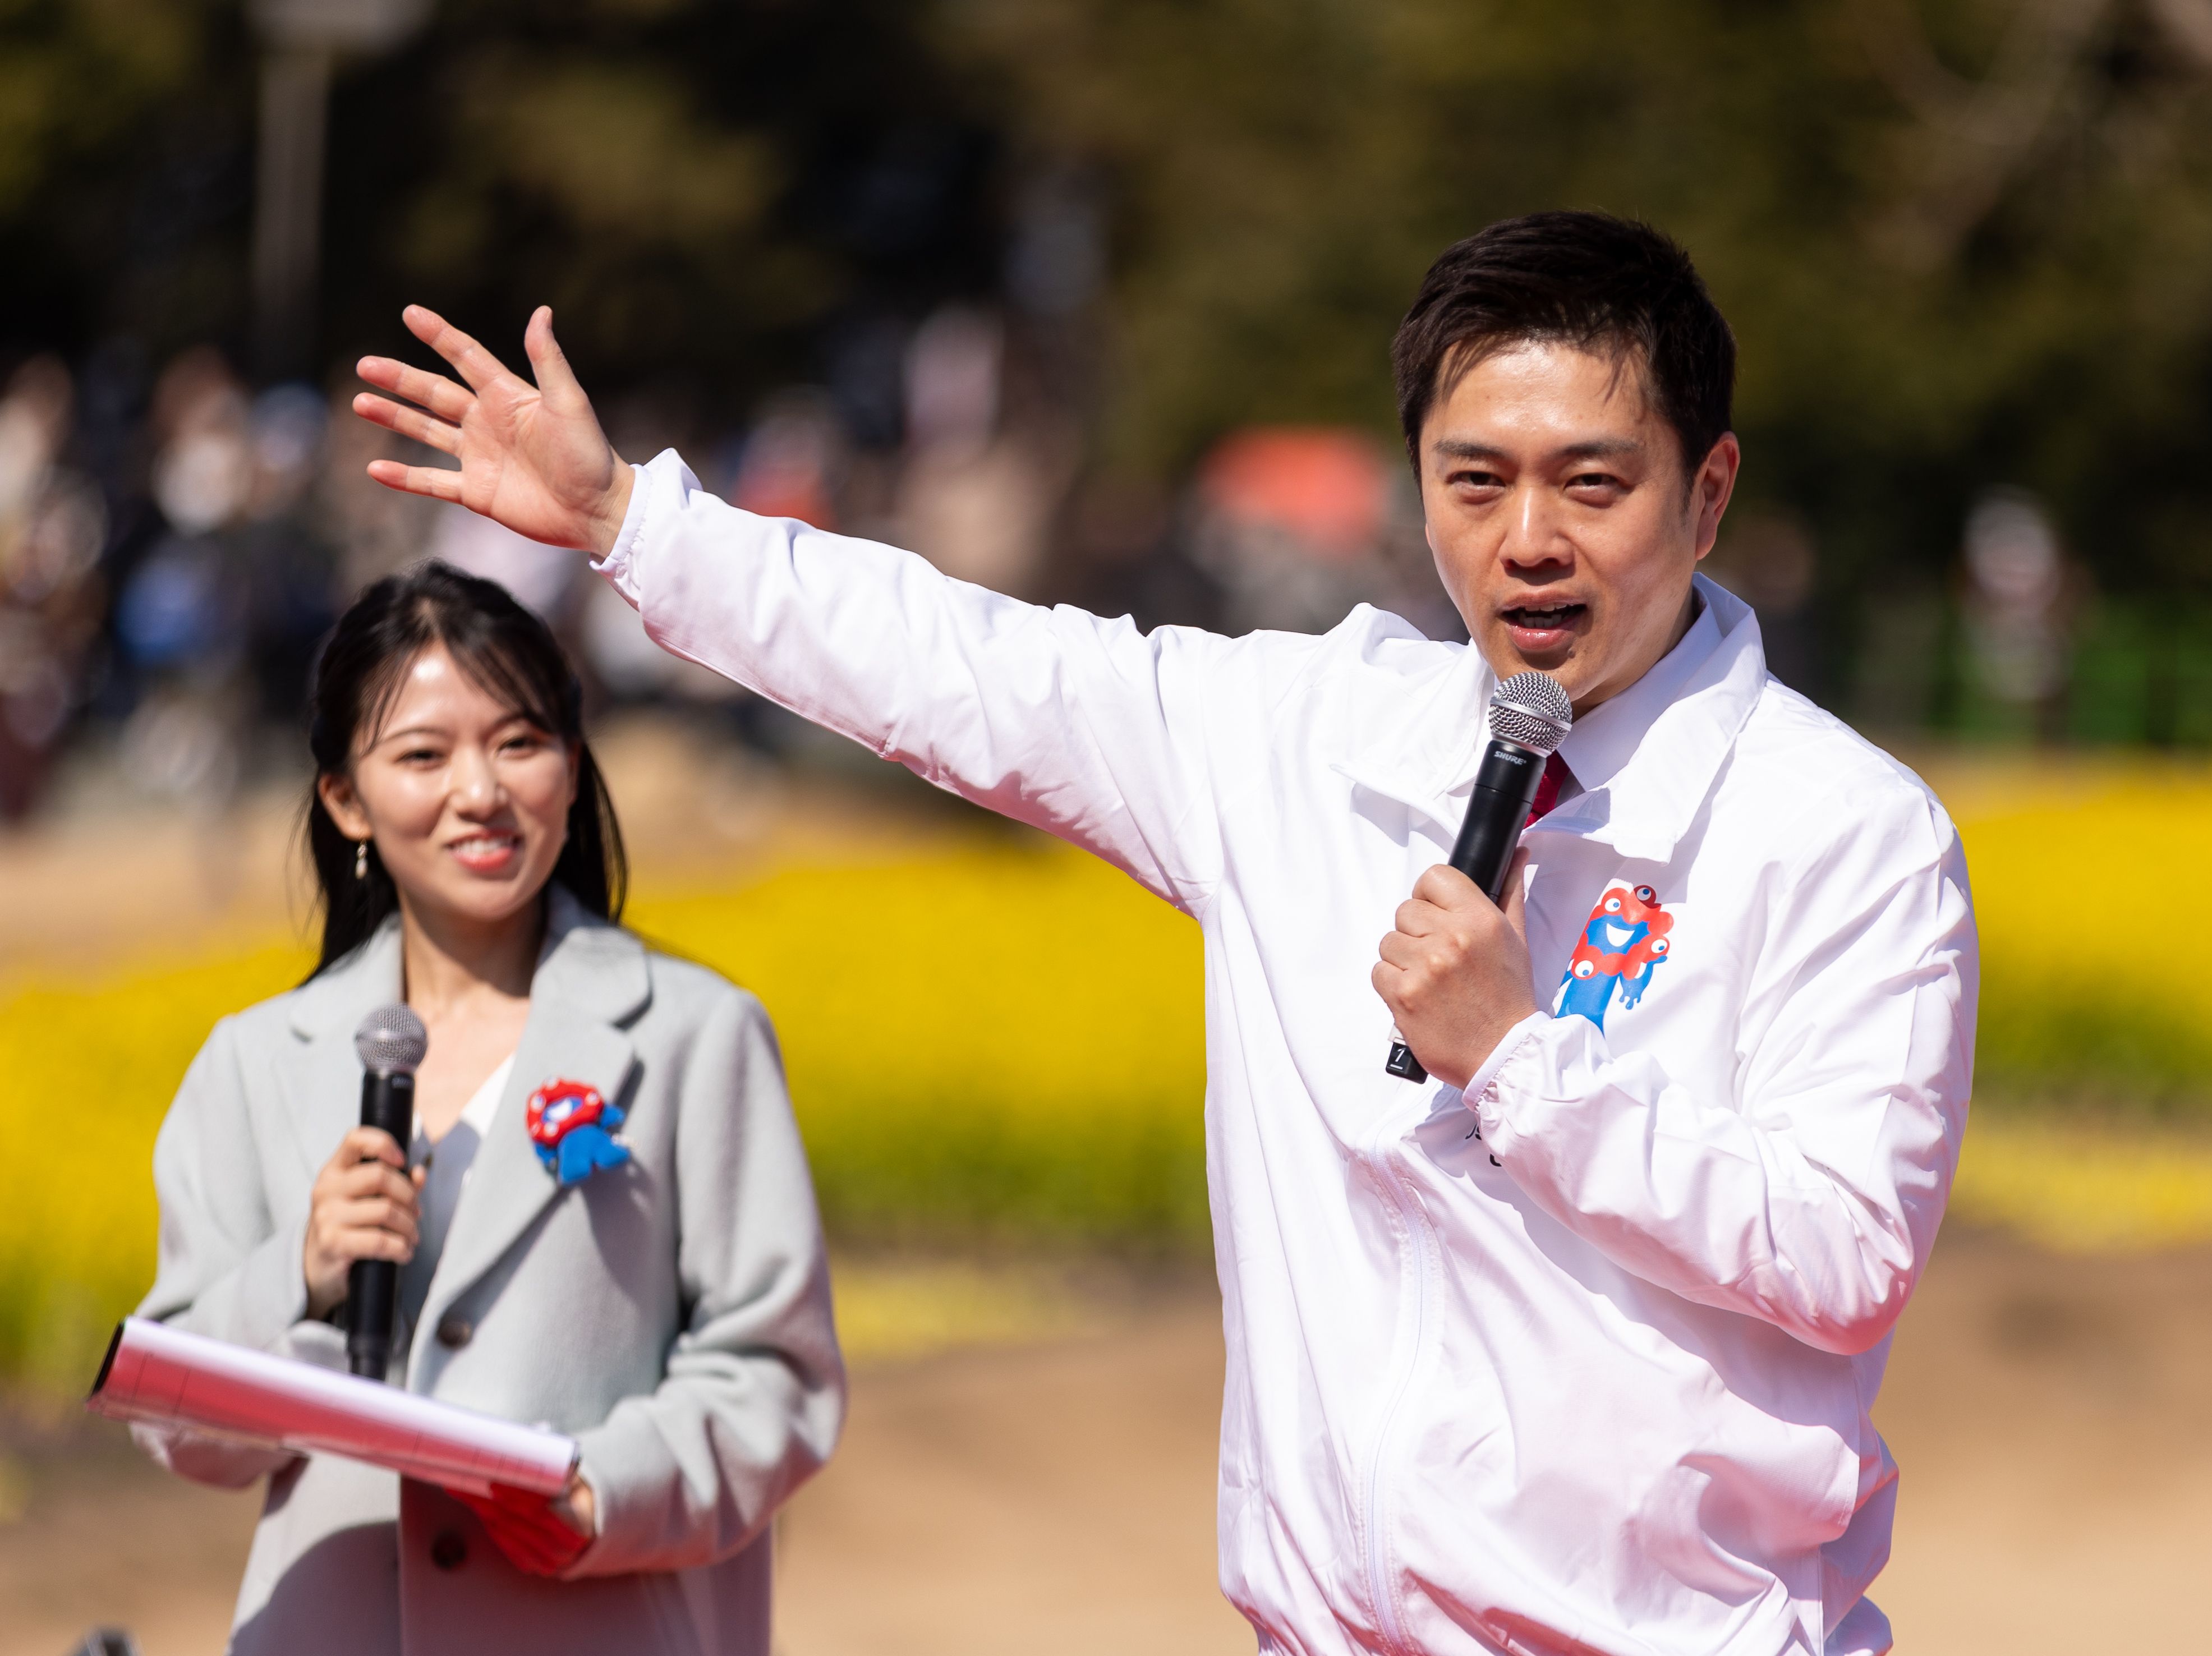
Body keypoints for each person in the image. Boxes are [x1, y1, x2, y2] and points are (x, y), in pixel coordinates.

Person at [356, 210, 1976, 1656]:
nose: (1525, 540)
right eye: (1472, 481)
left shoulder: (1842, 833)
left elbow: (1845, 1251)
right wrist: (637, 523)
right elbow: (971, 670)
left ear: (1707, 488)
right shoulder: (1306, 734)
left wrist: (1526, 1062)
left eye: (1591, 483)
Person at [132, 562, 843, 1655]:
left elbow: (775, 1377)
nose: (481, 791)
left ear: (572, 762)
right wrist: (303, 1273)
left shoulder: (698, 1035)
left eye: (519, 742)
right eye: (423, 755)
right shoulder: (257, 1064)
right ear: (345, 800)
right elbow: (182, 1424)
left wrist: (604, 1492)